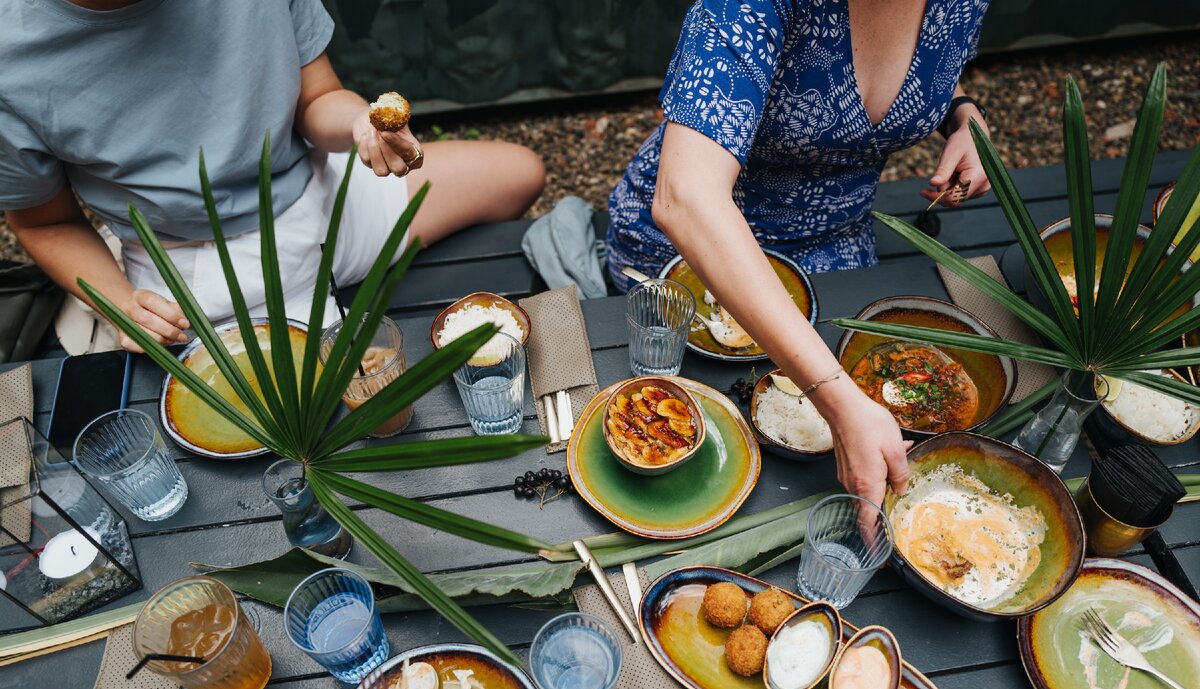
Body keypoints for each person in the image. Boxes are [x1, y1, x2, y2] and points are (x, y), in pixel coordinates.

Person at [607, 0, 993, 508]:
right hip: (696, 254)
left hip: (837, 243)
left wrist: (965, 117)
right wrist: (836, 398)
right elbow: (685, 199)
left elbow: (936, 63)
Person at [0, 0, 545, 354]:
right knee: (318, 430)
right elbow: (44, 222)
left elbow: (317, 97)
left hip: (322, 195)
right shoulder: (12, 56)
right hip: (204, 270)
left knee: (519, 173)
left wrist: (358, 124)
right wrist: (118, 301)